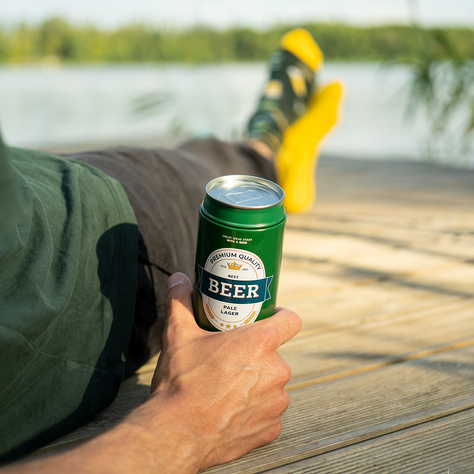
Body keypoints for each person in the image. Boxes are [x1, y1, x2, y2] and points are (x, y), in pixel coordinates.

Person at [0, 28, 343, 472]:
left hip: (33, 186)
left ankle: (264, 141)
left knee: (185, 161)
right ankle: (266, 141)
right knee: (195, 167)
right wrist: (183, 427)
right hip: (81, 239)